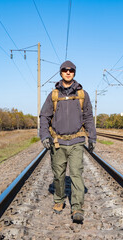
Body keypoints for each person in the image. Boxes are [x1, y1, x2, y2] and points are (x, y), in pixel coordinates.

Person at [39, 60, 96, 223]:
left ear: (74, 73)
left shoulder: (83, 94)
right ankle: (59, 200)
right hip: (58, 142)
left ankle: (77, 207)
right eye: (65, 70)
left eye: (71, 70)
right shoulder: (53, 95)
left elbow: (88, 117)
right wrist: (44, 135)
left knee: (76, 174)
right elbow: (44, 117)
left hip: (77, 141)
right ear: (61, 72)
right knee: (59, 175)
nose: (68, 72)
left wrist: (92, 136)